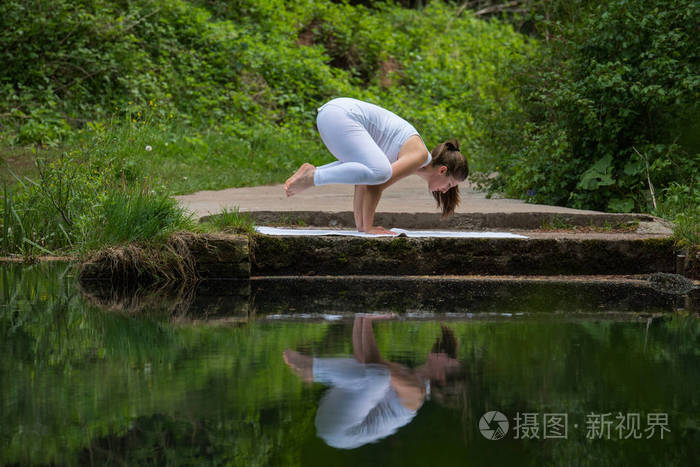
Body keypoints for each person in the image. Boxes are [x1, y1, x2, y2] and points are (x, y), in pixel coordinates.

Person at [284, 97, 469, 235]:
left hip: (331, 115)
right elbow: (376, 184)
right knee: (380, 172)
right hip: (341, 116)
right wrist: (371, 227)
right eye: (449, 185)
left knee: (372, 171)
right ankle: (314, 176)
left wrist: (362, 228)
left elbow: (363, 181)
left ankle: (315, 174)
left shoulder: (413, 159)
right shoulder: (420, 156)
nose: (445, 191)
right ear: (442, 170)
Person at [283, 315, 460, 449]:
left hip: (342, 430)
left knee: (379, 376)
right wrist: (361, 317)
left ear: (441, 377)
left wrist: (368, 319)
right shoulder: (408, 374)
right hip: (336, 422)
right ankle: (313, 367)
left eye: (449, 360)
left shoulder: (416, 392)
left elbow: (375, 363)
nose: (444, 352)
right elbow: (363, 358)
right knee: (368, 371)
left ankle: (312, 368)